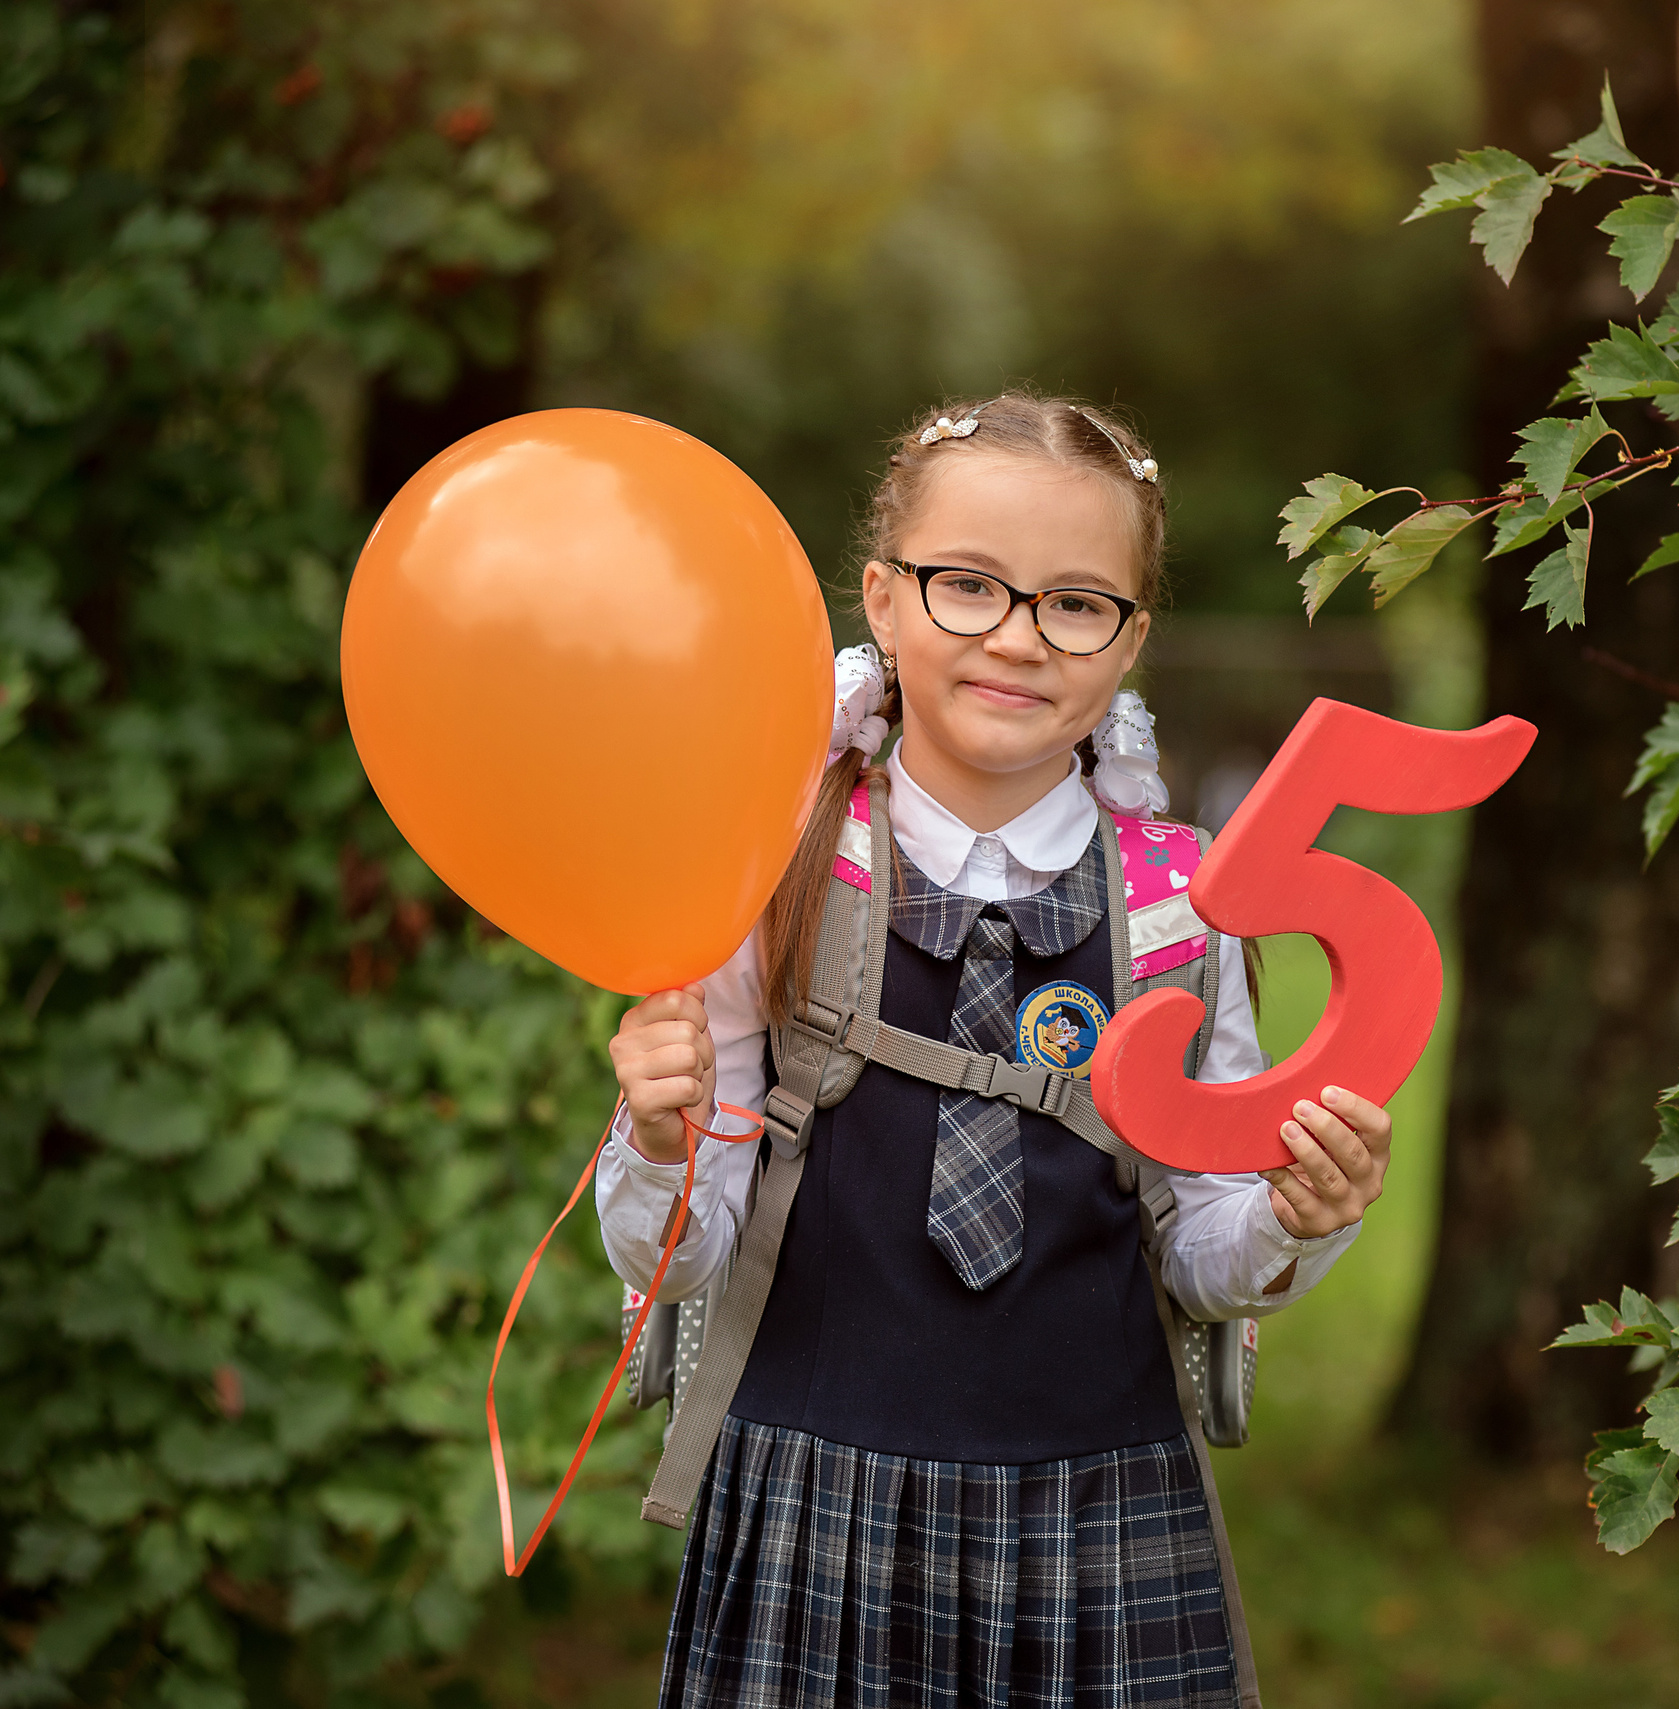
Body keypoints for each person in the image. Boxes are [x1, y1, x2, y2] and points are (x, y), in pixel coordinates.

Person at [595, 391, 1394, 1709]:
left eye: (1077, 602)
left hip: (1103, 1521)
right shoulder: (771, 872)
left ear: (1131, 638)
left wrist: (1296, 1219)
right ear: (883, 600)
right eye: (968, 584)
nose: (1019, 638)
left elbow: (1201, 1255)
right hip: (812, 1517)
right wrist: (661, 1136)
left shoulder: (1177, 909)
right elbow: (680, 1254)